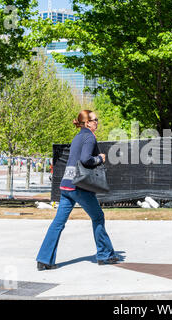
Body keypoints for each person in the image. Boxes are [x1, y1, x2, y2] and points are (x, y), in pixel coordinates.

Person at [36, 110, 118, 271]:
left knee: (58, 223)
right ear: (87, 123)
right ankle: (105, 255)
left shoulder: (78, 136)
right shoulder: (89, 137)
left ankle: (44, 259)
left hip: (66, 185)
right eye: (95, 120)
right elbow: (86, 159)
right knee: (98, 217)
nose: (97, 122)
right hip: (79, 186)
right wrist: (99, 158)